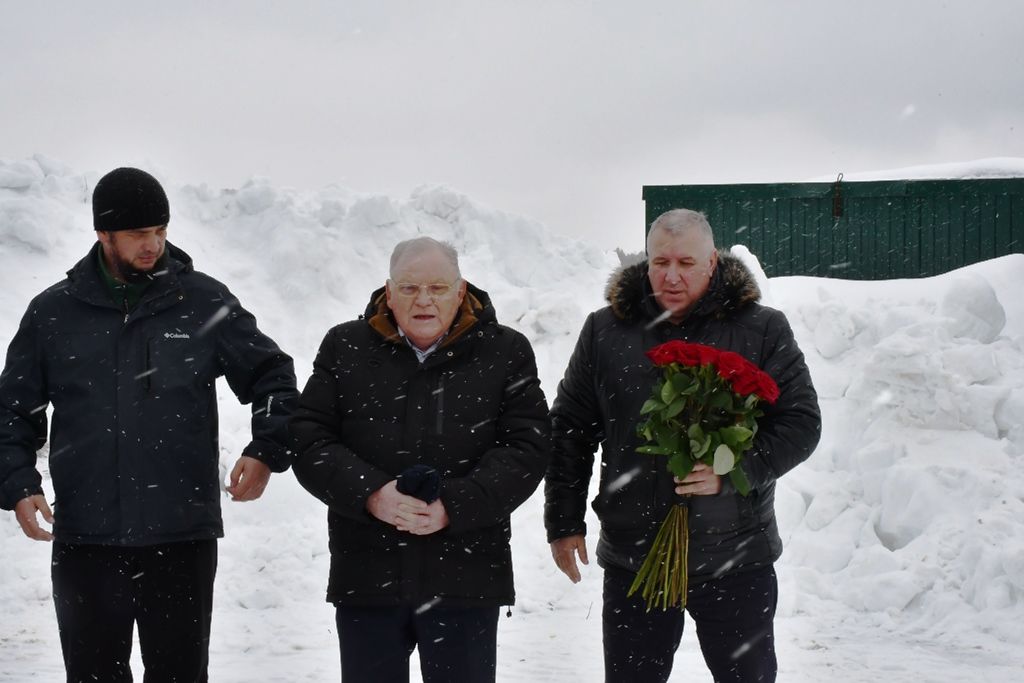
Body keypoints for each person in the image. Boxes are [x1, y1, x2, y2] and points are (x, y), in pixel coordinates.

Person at [0, 167, 298, 682]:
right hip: (87, 539)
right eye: (139, 234)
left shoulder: (201, 302)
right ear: (103, 234)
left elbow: (273, 374)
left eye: (160, 231)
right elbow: (12, 410)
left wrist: (267, 448)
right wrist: (17, 482)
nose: (153, 245)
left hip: (181, 536)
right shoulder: (54, 313)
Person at [544, 208, 821, 682]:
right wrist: (563, 521)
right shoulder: (606, 331)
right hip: (635, 556)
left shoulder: (762, 329)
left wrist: (733, 467)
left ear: (713, 262)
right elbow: (570, 428)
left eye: (686, 263)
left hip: (735, 556)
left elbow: (800, 423)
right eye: (660, 262)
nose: (671, 276)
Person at [291, 236, 549, 683]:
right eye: (409, 289)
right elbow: (309, 440)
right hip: (368, 574)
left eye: (437, 288)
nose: (423, 300)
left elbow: (527, 449)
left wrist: (457, 503)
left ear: (461, 289)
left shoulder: (505, 351)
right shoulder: (345, 347)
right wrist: (373, 494)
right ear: (388, 293)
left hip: (466, 576)